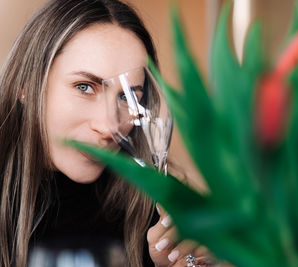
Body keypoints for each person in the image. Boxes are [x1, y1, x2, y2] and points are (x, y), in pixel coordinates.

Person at [0, 0, 215, 266]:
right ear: (26, 85)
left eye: (127, 97)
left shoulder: (155, 208)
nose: (107, 127)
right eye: (84, 87)